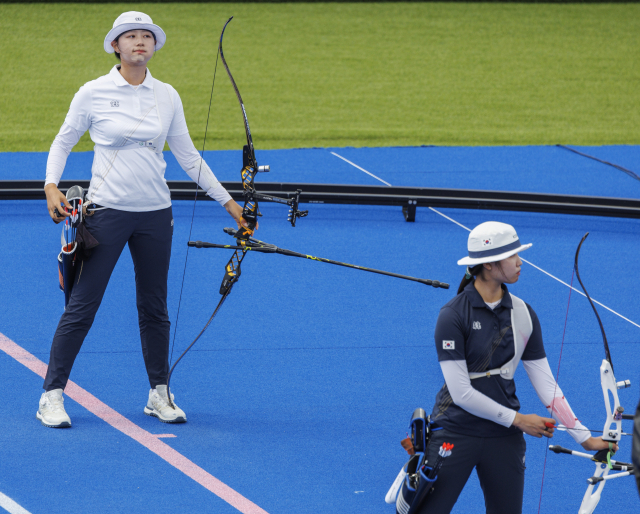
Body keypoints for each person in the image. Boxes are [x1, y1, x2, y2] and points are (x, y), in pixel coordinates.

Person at [39, 11, 248, 428]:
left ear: (153, 46)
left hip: (155, 214)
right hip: (107, 214)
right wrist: (50, 185)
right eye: (130, 36)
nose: (140, 42)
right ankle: (52, 395)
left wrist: (229, 203)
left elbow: (188, 156)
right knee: (83, 306)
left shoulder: (167, 95)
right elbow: (64, 140)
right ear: (116, 46)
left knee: (155, 307)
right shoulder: (94, 92)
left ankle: (158, 392)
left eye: (146, 37)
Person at [419, 221, 614, 514]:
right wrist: (520, 420)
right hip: (456, 431)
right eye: (512, 256)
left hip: (503, 438)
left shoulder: (524, 314)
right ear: (489, 264)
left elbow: (546, 384)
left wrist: (585, 437)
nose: (520, 262)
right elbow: (461, 393)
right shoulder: (452, 316)